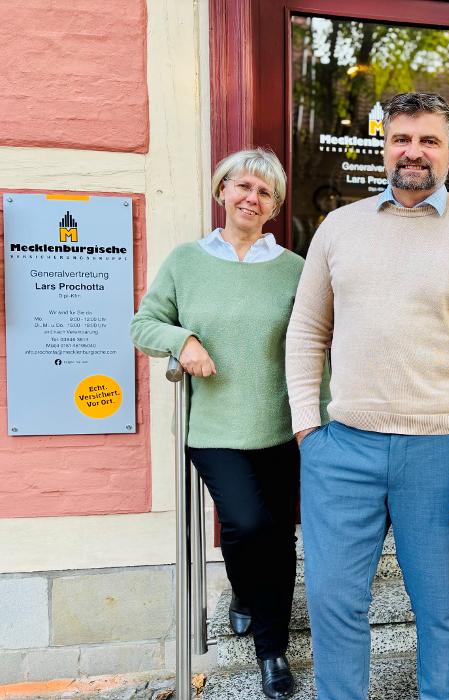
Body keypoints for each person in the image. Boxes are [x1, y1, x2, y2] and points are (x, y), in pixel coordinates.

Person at [285, 92, 449, 700]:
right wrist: (308, 430)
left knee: (442, 611)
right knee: (333, 602)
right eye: (401, 139)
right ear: (385, 146)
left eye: (429, 141)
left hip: (444, 453)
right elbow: (307, 331)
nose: (413, 152)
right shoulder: (339, 228)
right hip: (344, 450)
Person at [131, 148, 308, 699]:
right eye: (243, 186)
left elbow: (314, 347)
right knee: (246, 524)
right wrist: (182, 340)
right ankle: (245, 592)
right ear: (222, 191)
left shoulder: (294, 269)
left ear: (274, 206)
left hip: (280, 425)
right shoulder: (187, 261)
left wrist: (318, 419)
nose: (252, 198)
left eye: (264, 192)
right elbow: (144, 323)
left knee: (277, 538)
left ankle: (272, 651)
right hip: (211, 428)